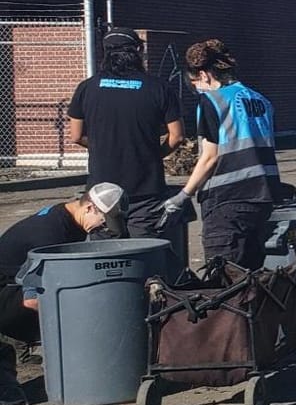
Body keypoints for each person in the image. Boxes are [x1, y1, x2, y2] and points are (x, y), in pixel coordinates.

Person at [161, 40, 282, 268]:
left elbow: (210, 157)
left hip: (227, 200)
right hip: (263, 197)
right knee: (251, 272)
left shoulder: (212, 101)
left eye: (195, 82)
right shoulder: (260, 100)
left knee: (225, 276)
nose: (196, 88)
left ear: (205, 75)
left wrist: (183, 196)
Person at [66, 28, 182, 239]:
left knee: (106, 253)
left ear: (106, 53)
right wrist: (152, 154)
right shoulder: (159, 88)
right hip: (146, 187)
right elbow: (177, 136)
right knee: (145, 252)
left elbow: (75, 135)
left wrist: (105, 148)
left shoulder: (86, 88)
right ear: (138, 51)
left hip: (102, 189)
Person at [1, 184, 123, 384]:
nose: (102, 227)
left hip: (14, 280)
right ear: (89, 208)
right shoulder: (50, 235)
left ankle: (20, 343)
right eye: (103, 221)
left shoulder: (66, 215)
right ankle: (18, 341)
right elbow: (33, 299)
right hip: (7, 292)